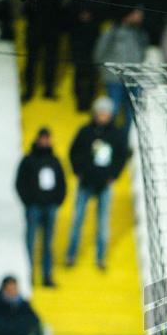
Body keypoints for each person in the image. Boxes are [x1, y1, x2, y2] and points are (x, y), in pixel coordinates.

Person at [67, 97, 128, 270]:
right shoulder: (85, 131)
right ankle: (71, 255)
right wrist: (78, 171)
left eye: (106, 112)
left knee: (103, 224)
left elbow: (121, 157)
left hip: (104, 185)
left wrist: (113, 175)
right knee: (77, 220)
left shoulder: (116, 135)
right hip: (85, 183)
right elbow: (74, 152)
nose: (103, 116)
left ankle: (101, 258)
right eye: (100, 112)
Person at [16, 127, 67, 287]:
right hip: (34, 206)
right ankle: (28, 275)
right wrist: (29, 201)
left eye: (47, 138)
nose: (45, 142)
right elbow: (19, 183)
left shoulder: (55, 161)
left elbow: (62, 184)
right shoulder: (29, 159)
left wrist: (56, 201)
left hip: (50, 207)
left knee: (48, 244)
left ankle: (47, 276)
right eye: (43, 138)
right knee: (30, 242)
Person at [93, 7, 147, 138]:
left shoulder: (141, 34)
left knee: (131, 112)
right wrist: (104, 72)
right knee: (113, 110)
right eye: (136, 14)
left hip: (133, 79)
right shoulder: (112, 31)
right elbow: (98, 52)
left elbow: (143, 54)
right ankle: (109, 139)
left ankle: (123, 142)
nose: (139, 17)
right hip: (114, 79)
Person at [23, 0, 65, 101]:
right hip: (35, 21)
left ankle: (48, 89)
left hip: (52, 23)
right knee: (32, 58)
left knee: (51, 58)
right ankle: (28, 90)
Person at [66, 0, 105, 112]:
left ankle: (88, 102)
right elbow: (70, 17)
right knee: (79, 71)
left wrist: (92, 17)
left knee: (92, 72)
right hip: (79, 41)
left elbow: (104, 15)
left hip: (95, 42)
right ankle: (79, 102)